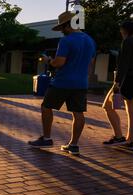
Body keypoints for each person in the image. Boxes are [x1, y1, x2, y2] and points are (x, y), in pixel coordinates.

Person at [29, 11, 96, 155]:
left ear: (67, 25)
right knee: (78, 113)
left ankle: (46, 139)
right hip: (81, 83)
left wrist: (49, 61)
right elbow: (91, 64)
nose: (62, 32)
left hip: (63, 82)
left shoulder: (66, 40)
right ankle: (74, 145)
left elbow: (59, 63)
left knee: (46, 107)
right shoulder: (90, 40)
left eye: (62, 28)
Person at [102, 21, 133, 151]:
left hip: (129, 79)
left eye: (121, 31)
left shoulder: (128, 42)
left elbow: (123, 64)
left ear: (126, 30)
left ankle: (119, 137)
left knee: (107, 105)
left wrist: (117, 83)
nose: (121, 33)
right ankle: (130, 141)